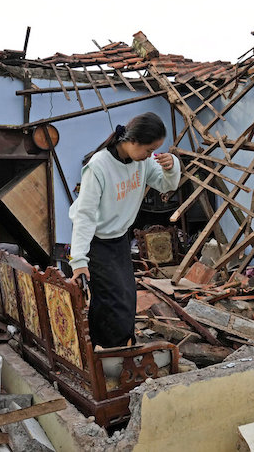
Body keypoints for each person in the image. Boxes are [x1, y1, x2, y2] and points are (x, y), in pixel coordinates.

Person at [68, 112, 181, 348]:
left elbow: (166, 184)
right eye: (149, 149)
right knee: (112, 300)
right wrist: (78, 260)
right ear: (132, 141)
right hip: (95, 241)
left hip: (119, 237)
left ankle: (113, 347)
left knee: (126, 296)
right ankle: (111, 352)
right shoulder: (98, 166)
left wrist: (172, 167)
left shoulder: (144, 162)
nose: (151, 155)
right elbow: (85, 215)